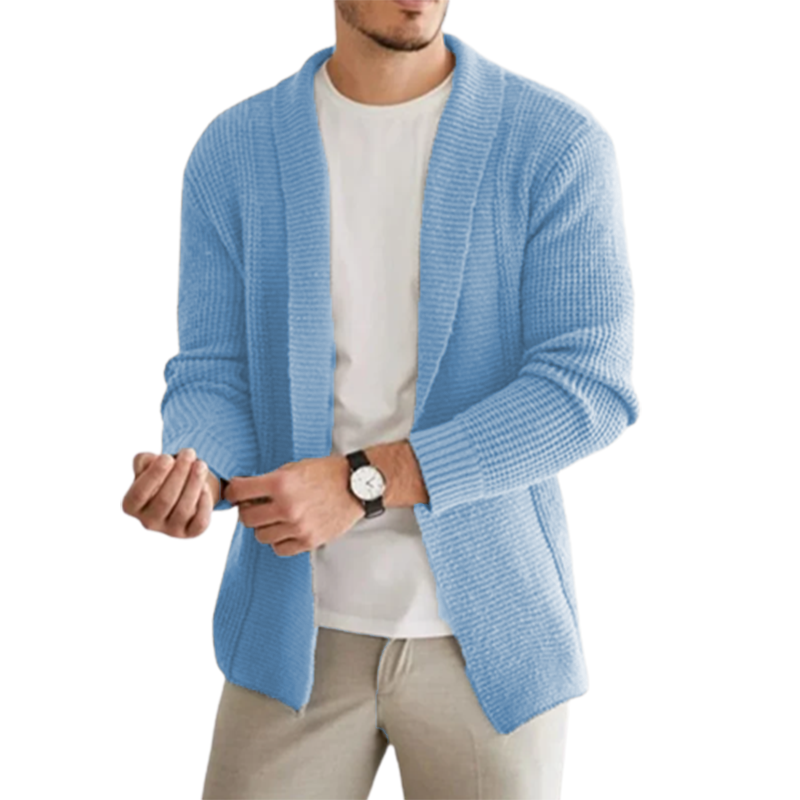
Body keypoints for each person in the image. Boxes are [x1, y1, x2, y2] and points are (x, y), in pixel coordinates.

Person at [122, 1, 639, 797]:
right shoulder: (235, 152)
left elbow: (588, 384)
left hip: (487, 643)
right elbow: (214, 371)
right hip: (292, 638)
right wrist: (199, 469)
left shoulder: (555, 145)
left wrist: (363, 481)